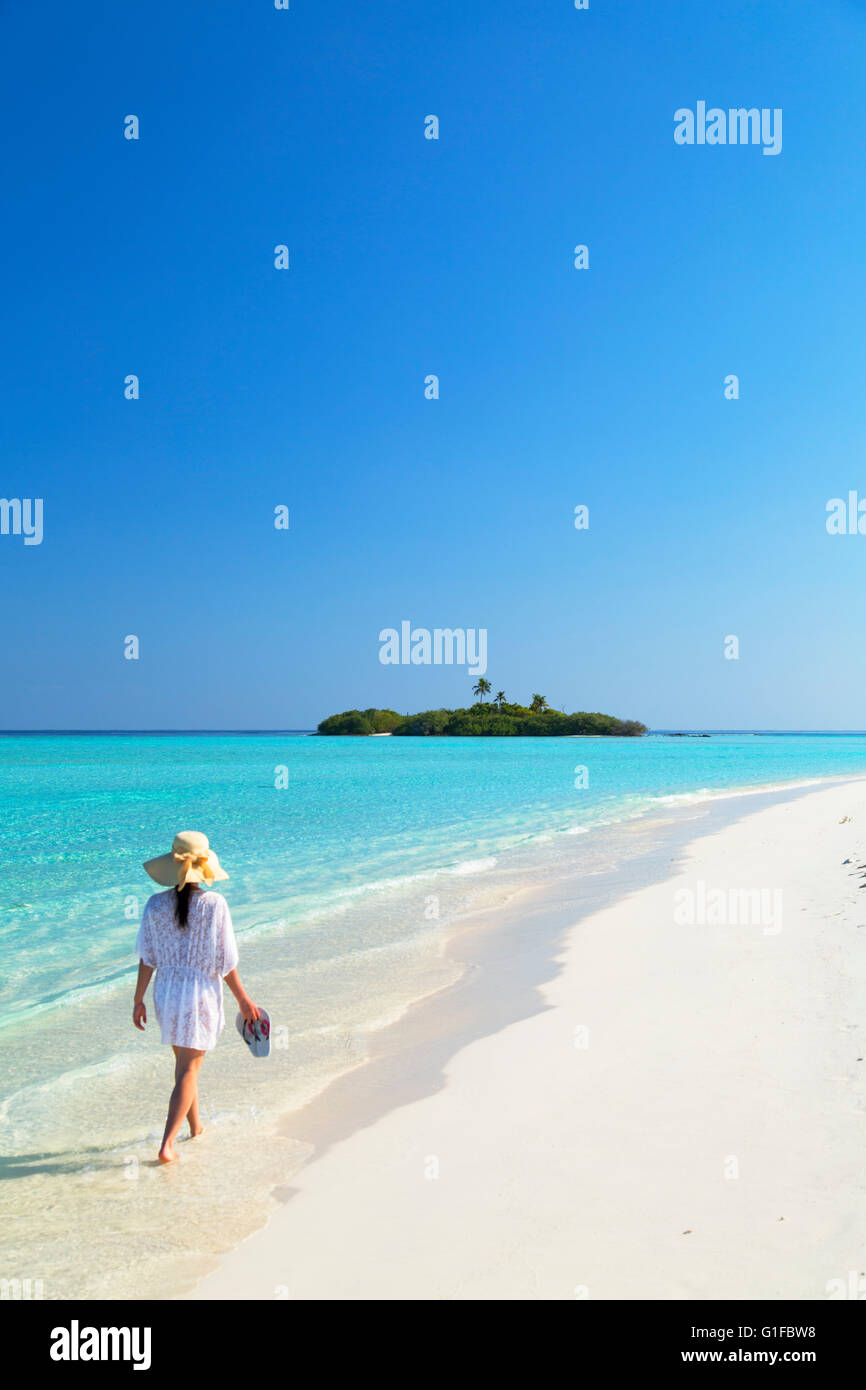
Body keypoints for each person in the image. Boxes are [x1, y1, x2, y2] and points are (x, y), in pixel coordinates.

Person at [132, 830, 260, 1162]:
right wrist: (244, 1001)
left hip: (167, 992)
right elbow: (226, 961)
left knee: (185, 1065)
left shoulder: (154, 905)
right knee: (190, 1067)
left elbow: (147, 957)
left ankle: (196, 1128)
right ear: (204, 869)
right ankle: (167, 1145)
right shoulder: (215, 905)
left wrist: (139, 999)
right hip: (199, 994)